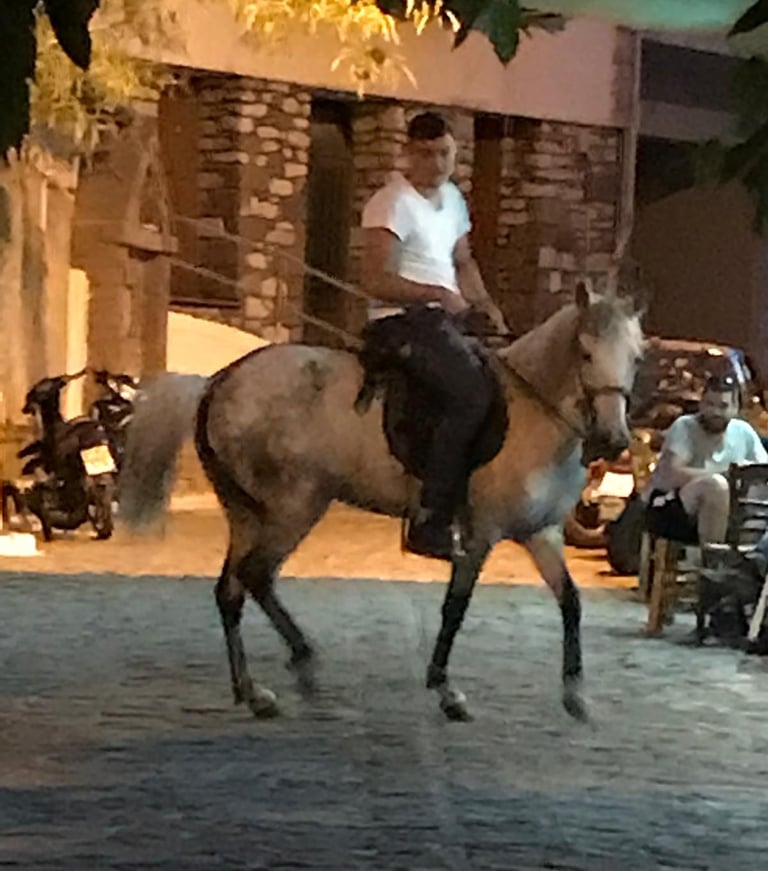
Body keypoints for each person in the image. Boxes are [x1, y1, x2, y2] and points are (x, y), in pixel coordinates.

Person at [360, 110, 508, 560]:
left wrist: (487, 309)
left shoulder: (454, 201)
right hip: (400, 318)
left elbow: (463, 261)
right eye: (425, 154)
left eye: (444, 153)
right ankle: (430, 516)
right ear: (408, 153)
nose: (436, 163)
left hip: (446, 318)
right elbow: (375, 279)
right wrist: (438, 295)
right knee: (467, 393)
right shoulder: (391, 202)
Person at [646, 373, 768, 546]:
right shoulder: (685, 427)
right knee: (715, 486)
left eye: (723, 406)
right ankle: (712, 558)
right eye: (710, 404)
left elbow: (763, 471)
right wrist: (726, 476)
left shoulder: (743, 432)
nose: (715, 412)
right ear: (701, 403)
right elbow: (672, 474)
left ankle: (755, 556)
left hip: (733, 513)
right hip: (673, 508)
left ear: (735, 409)